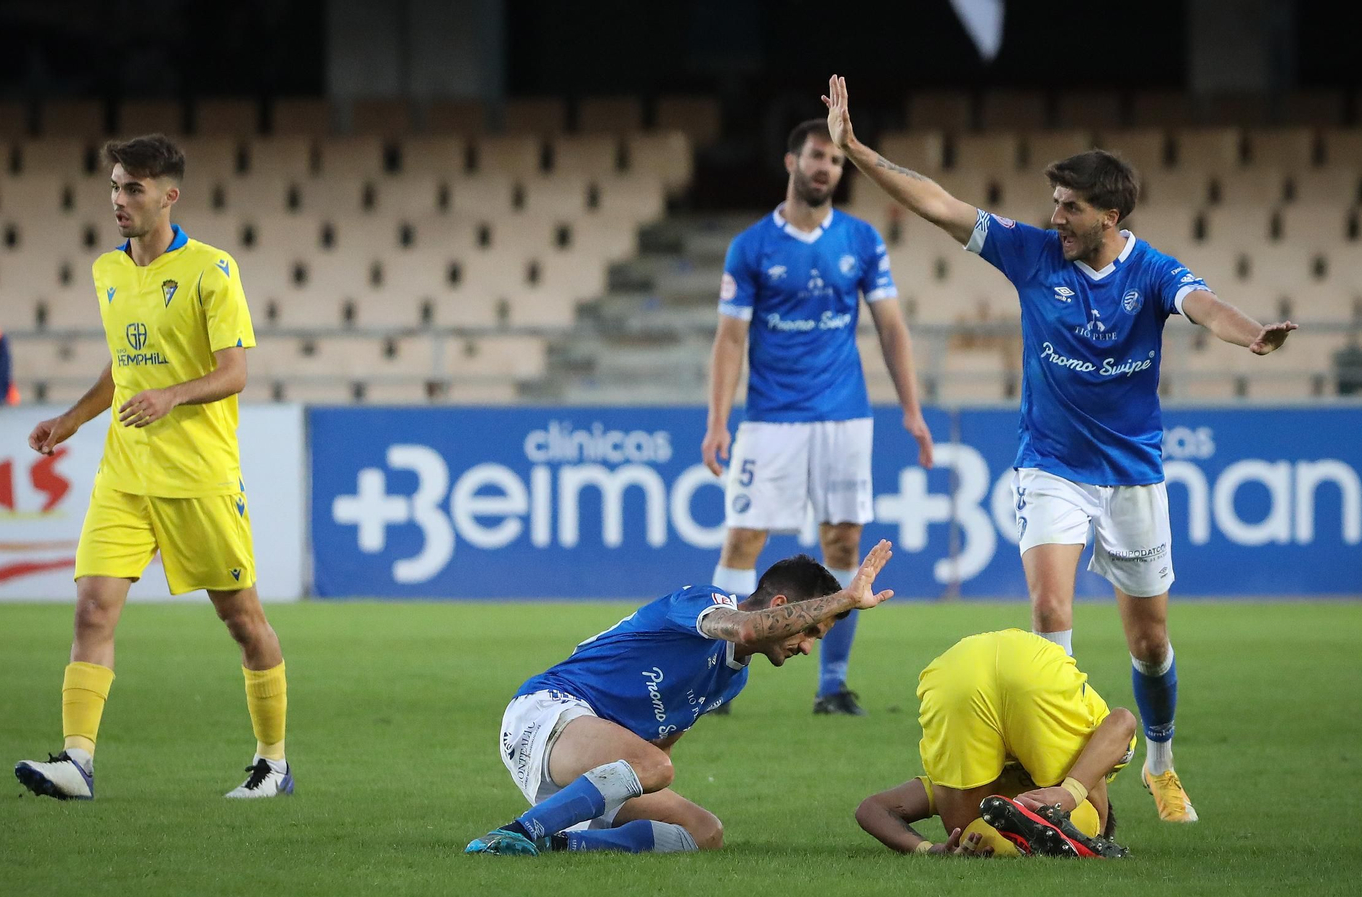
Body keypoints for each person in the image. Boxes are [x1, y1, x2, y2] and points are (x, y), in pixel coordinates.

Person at [822, 75, 1297, 822]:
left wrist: (1254, 333)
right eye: (1054, 205)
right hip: (1051, 465)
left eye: (1070, 208)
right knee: (1050, 611)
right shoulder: (1033, 254)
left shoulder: (1152, 271)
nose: (1056, 218)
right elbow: (942, 205)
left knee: (1149, 643)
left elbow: (1203, 305)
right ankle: (1066, 780)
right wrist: (857, 151)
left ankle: (1162, 764)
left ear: (1111, 215)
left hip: (1132, 474)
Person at [13, 134, 290, 800]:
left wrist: (170, 394)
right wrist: (71, 419)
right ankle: (77, 761)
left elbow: (234, 372)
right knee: (92, 608)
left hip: (198, 474)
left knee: (242, 620)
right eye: (113, 186)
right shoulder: (107, 271)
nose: (118, 200)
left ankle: (273, 761)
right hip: (124, 473)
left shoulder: (211, 270)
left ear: (170, 195)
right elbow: (123, 368)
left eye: (132, 189)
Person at [702, 118, 934, 718]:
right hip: (771, 420)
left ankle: (831, 684)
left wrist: (911, 409)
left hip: (844, 418)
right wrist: (718, 420)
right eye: (815, 156)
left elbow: (890, 326)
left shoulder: (861, 240)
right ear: (791, 163)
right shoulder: (752, 246)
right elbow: (730, 340)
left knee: (842, 539)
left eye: (834, 160)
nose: (825, 167)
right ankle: (718, 676)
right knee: (745, 538)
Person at [466, 541, 897, 856]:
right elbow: (745, 629)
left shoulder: (732, 681)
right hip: (546, 714)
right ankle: (514, 834)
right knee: (655, 767)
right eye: (809, 632)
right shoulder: (703, 601)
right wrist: (841, 599)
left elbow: (658, 743)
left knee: (704, 831)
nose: (806, 648)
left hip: (590, 764)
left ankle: (560, 844)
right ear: (780, 606)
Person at [854, 629, 1135, 859]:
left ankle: (1028, 839)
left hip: (954, 672)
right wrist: (1071, 792)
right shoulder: (1089, 756)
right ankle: (1075, 836)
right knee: (1092, 809)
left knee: (967, 833)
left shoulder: (947, 786)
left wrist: (927, 849)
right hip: (1031, 671)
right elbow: (1123, 721)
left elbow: (871, 809)